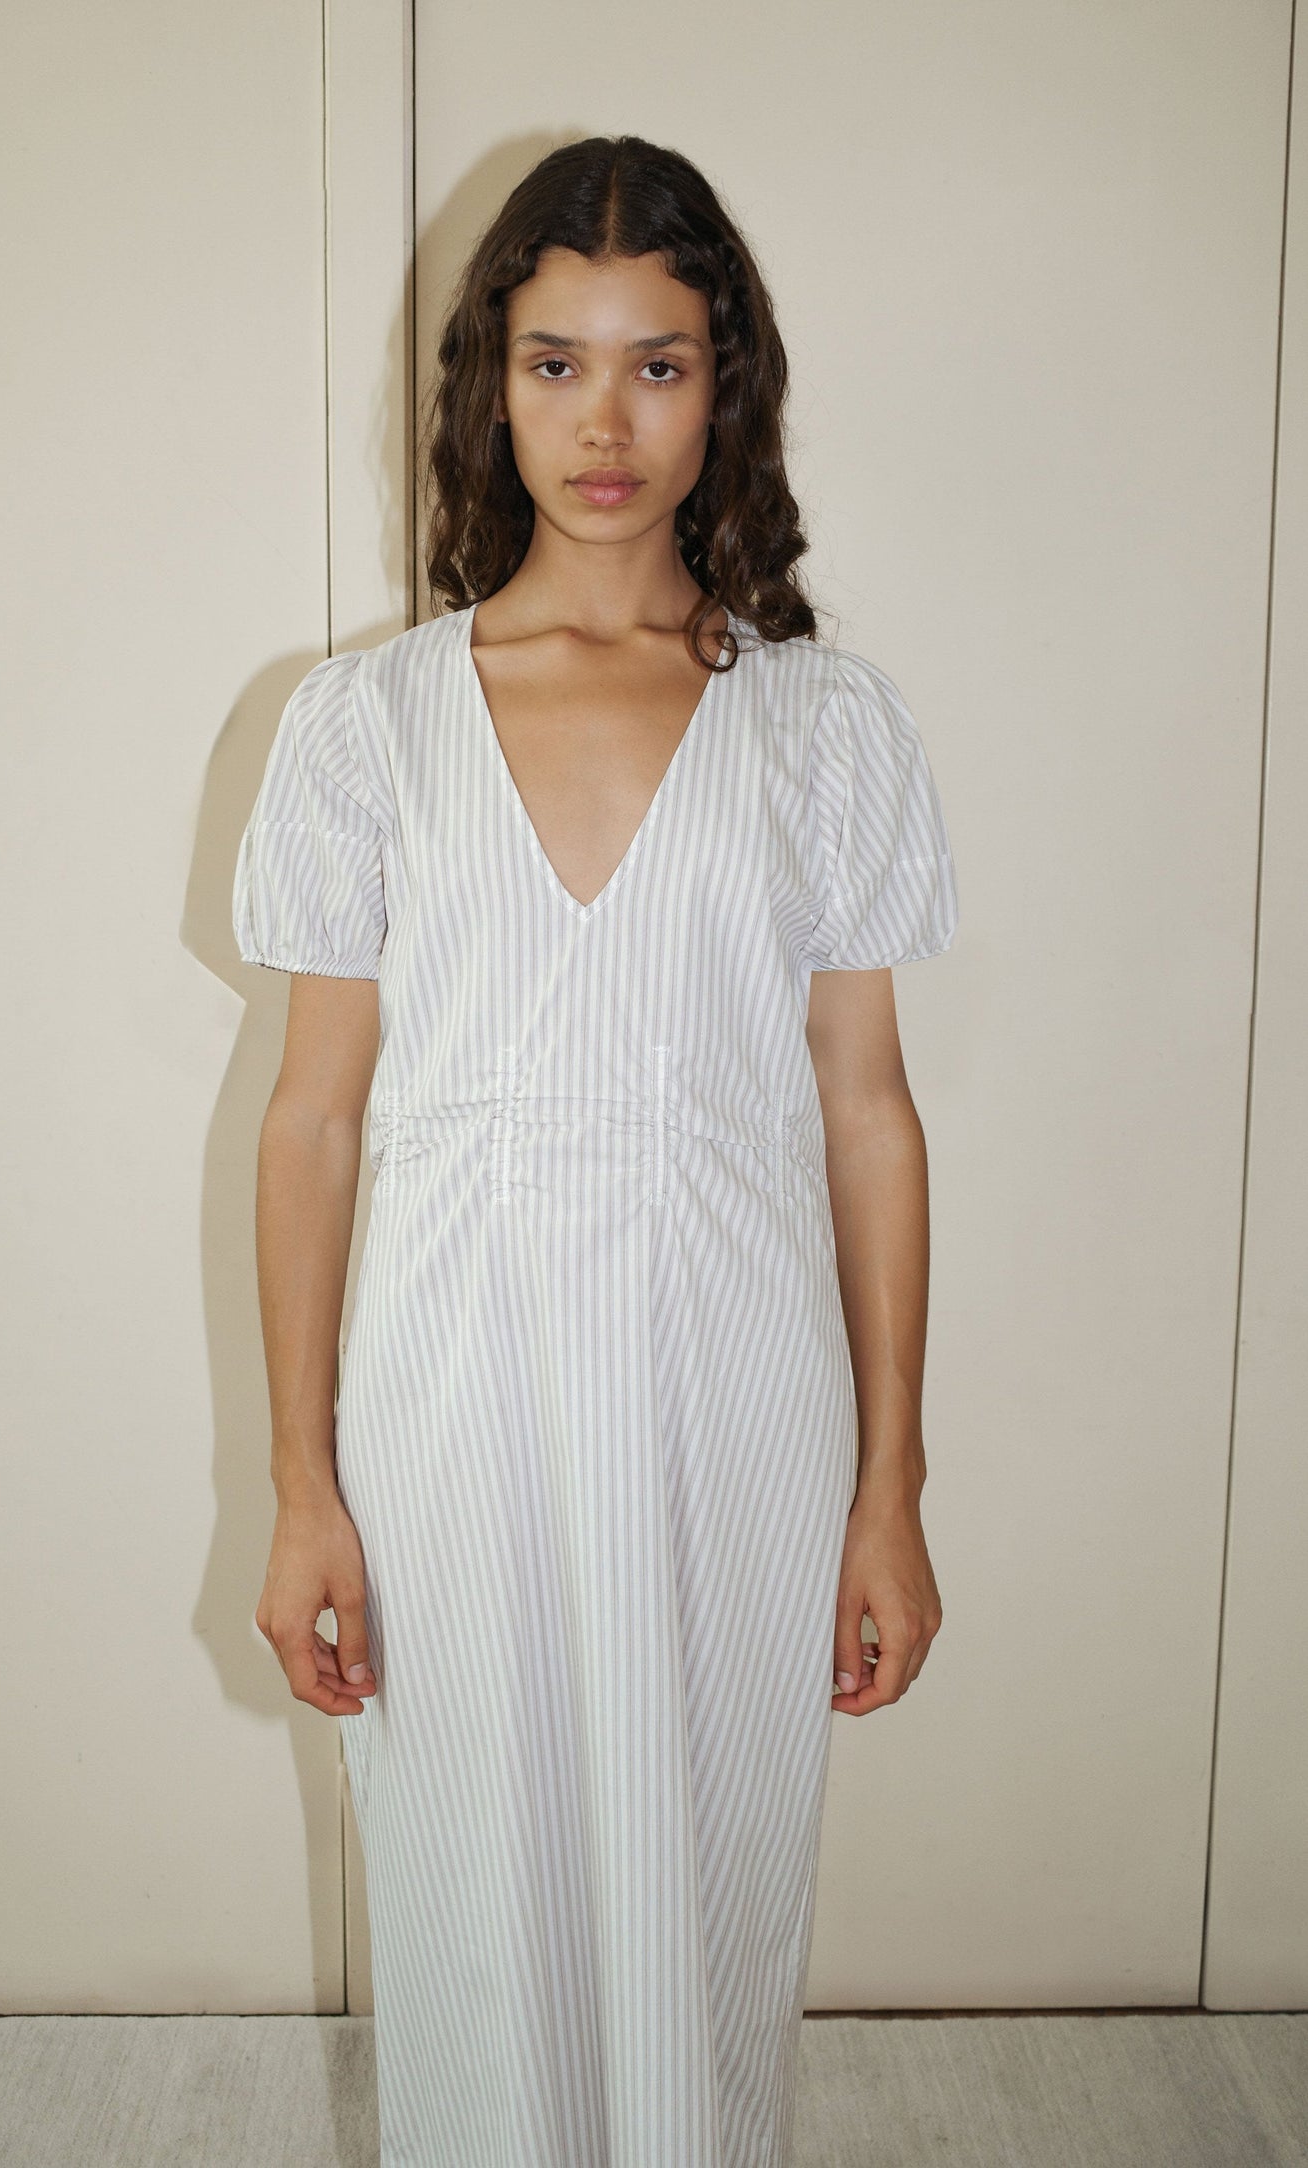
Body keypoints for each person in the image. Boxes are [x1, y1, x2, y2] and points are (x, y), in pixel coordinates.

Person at [233, 133, 959, 2168]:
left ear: (730, 383)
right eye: (556, 363)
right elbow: (312, 1114)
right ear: (491, 384)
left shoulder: (824, 725)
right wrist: (303, 1483)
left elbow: (869, 1114)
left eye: (658, 362)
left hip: (740, 1407)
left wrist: (892, 1486)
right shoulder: (364, 723)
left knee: (711, 1922)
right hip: (452, 1412)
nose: (605, 419)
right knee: (474, 1930)